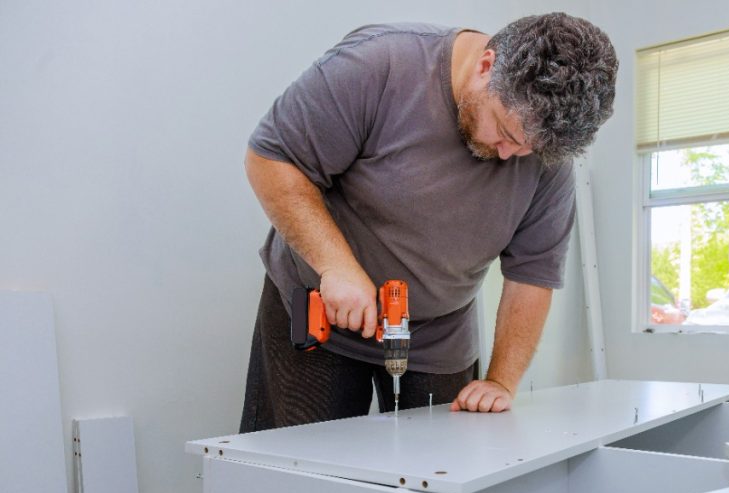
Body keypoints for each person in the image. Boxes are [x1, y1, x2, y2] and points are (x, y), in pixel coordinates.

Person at [240, 13, 617, 432]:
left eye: (528, 148)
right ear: (486, 66)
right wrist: (336, 267)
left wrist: (500, 382)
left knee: (443, 470)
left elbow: (532, 277)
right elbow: (272, 160)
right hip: (320, 312)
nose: (511, 155)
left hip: (439, 337)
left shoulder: (544, 157)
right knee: (294, 464)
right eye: (506, 131)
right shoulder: (379, 65)